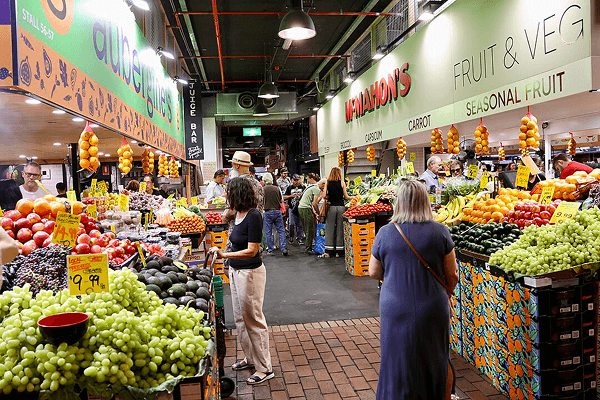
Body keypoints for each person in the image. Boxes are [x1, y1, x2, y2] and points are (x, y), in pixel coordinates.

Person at [368, 179, 459, 399]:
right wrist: (445, 293)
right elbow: (452, 275)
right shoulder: (440, 232)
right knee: (435, 356)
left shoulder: (385, 233)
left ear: (398, 202)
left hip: (395, 304)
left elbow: (373, 272)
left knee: (396, 357)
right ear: (425, 201)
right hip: (433, 305)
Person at [207, 177, 273, 385]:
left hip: (250, 273)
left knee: (253, 319)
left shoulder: (254, 216)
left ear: (238, 194)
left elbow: (252, 250)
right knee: (240, 319)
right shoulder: (237, 214)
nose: (225, 195)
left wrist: (224, 255)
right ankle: (250, 358)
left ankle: (264, 368)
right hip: (236, 272)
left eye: (229, 192)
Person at [324, 167, 354, 258]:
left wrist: (329, 196)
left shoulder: (327, 182)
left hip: (332, 208)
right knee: (340, 228)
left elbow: (324, 195)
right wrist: (354, 197)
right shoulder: (342, 183)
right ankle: (339, 251)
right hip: (341, 208)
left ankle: (328, 251)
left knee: (330, 228)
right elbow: (346, 197)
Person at [262, 173, 288, 256]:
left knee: (268, 232)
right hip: (277, 211)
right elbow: (281, 200)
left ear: (264, 180)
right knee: (281, 230)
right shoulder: (277, 188)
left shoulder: (263, 189)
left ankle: (270, 250)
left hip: (267, 212)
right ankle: (284, 248)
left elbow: (261, 201)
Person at [298, 175, 323, 255]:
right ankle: (308, 248)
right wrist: (319, 213)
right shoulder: (316, 189)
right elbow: (315, 203)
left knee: (307, 228)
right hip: (305, 208)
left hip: (301, 208)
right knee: (310, 228)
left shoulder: (312, 187)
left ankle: (308, 246)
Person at [284, 174, 305, 244]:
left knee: (300, 224)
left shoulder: (303, 187)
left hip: (300, 207)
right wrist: (291, 196)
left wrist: (301, 196)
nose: (296, 182)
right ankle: (291, 236)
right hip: (292, 208)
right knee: (291, 223)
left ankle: (299, 238)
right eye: (295, 180)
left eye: (297, 180)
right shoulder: (289, 188)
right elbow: (284, 197)